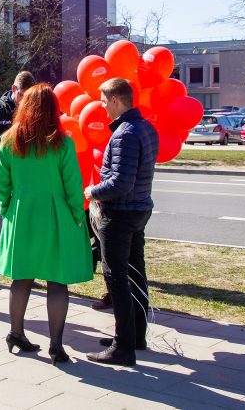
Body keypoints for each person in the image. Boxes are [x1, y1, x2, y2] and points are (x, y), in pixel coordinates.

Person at [0, 83, 93, 364]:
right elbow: (73, 184)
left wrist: (8, 208)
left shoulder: (10, 140)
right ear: (53, 109)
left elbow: (1, 182)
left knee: (21, 276)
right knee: (57, 280)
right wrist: (76, 214)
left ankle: (15, 332)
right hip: (55, 214)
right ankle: (57, 345)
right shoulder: (62, 142)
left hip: (22, 213)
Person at [85, 78, 158, 366]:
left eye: (103, 101)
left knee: (117, 279)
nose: (101, 106)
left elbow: (121, 183)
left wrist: (92, 191)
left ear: (115, 100)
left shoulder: (124, 134)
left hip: (121, 214)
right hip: (138, 211)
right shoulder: (145, 127)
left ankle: (123, 347)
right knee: (135, 273)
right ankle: (135, 335)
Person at [0, 71, 37, 291]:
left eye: (29, 97)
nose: (26, 101)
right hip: (1, 177)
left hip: (26, 179)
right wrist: (8, 137)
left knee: (25, 227)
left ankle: (23, 273)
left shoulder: (33, 109)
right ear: (14, 90)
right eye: (23, 95)